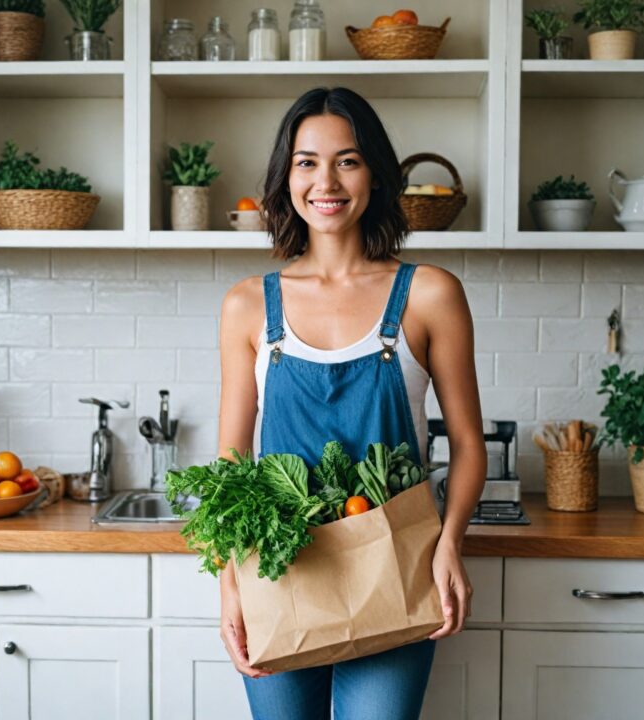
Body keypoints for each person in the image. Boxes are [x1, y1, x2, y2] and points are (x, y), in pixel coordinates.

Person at [216, 86, 486, 720]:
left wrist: (449, 545)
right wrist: (231, 581)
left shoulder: (429, 294)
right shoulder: (248, 305)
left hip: (396, 566)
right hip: (277, 568)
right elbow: (231, 460)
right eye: (307, 161)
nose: (326, 181)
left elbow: (468, 444)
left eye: (348, 160)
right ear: (287, 178)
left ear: (376, 174)